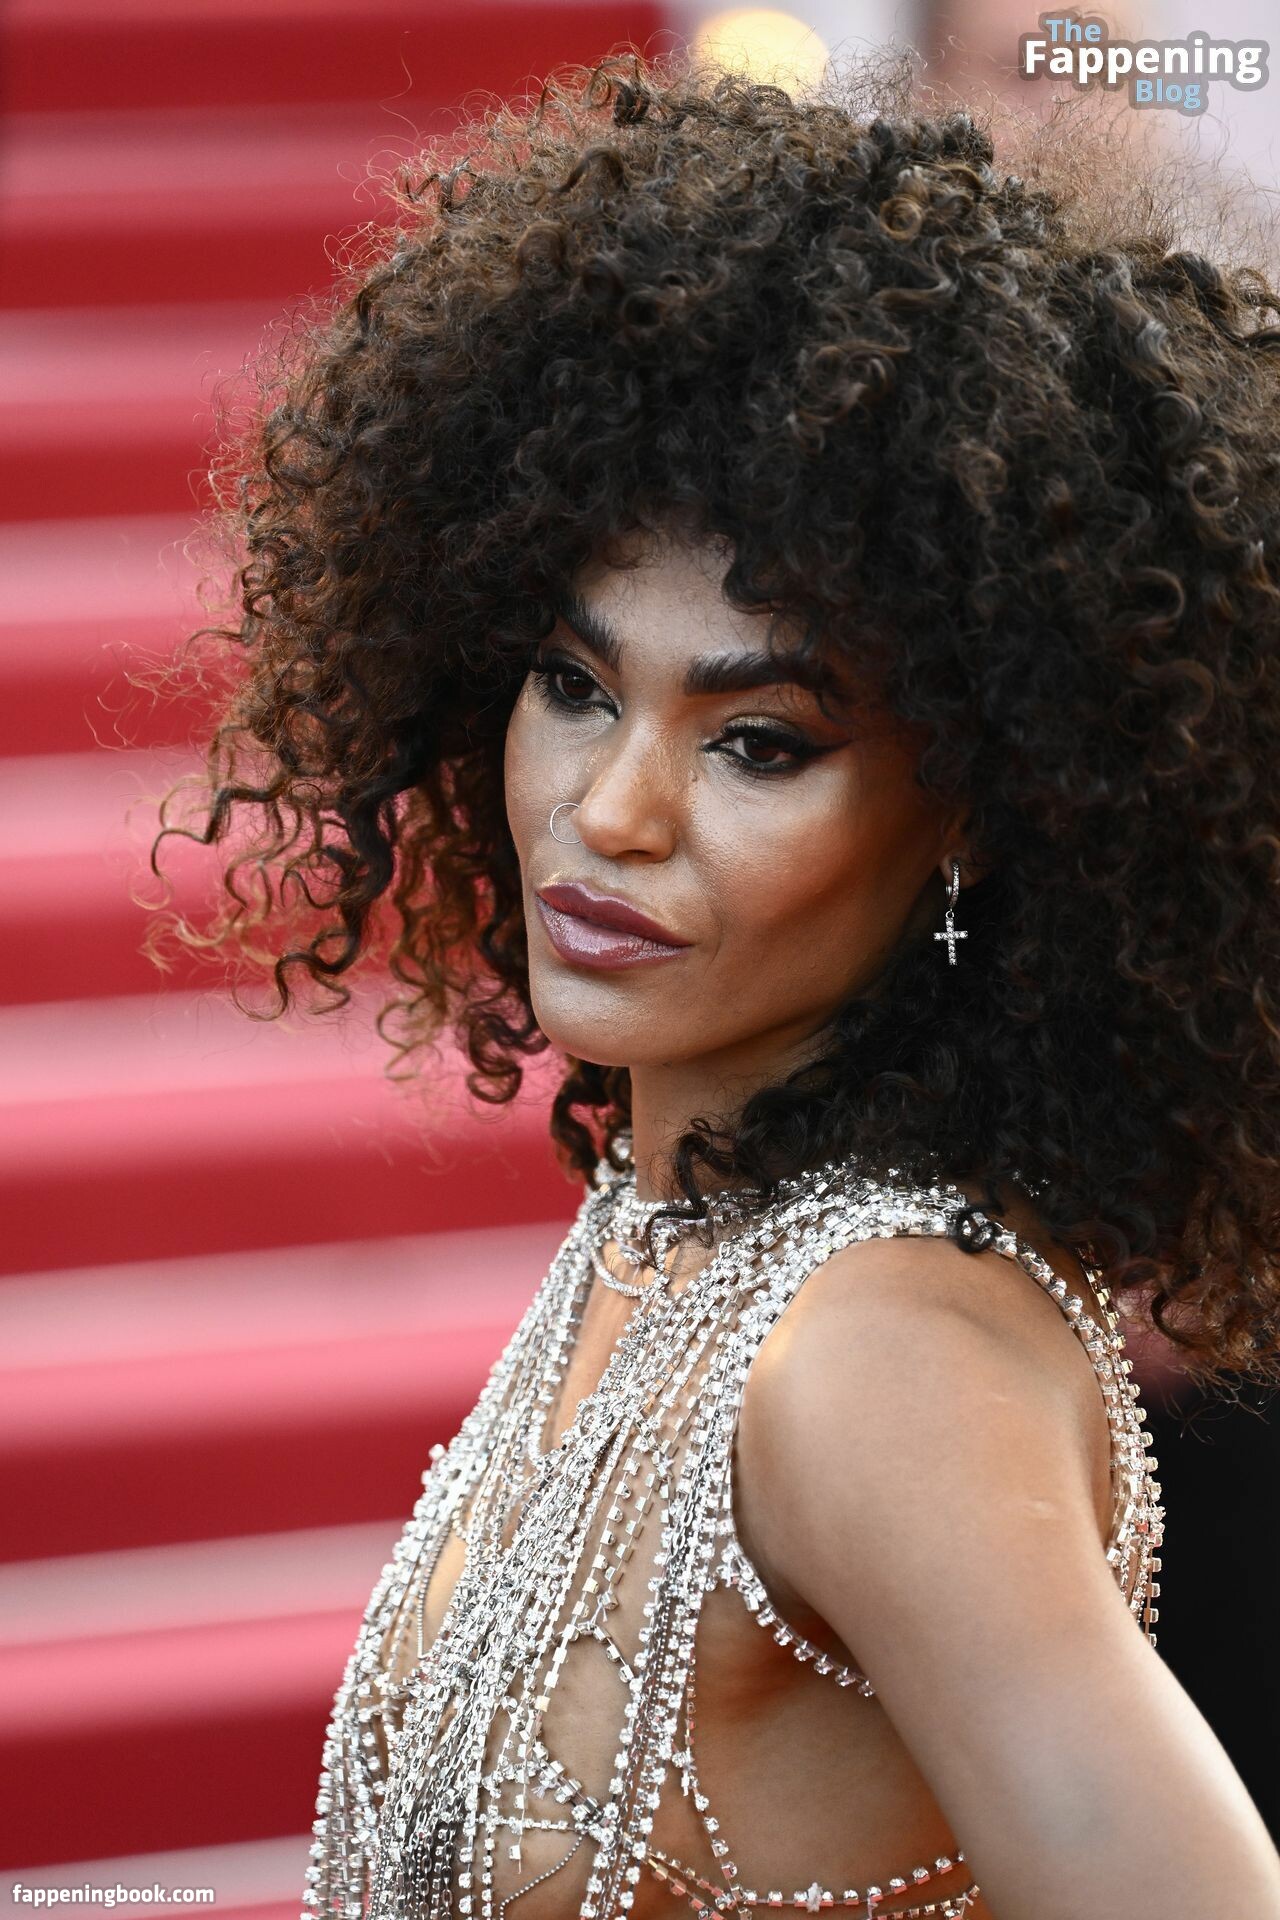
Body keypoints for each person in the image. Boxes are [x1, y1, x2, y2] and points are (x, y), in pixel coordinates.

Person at [147, 45, 1280, 1920]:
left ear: (977, 814)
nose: (612, 811)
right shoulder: (673, 1225)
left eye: (759, 742)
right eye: (574, 686)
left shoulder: (877, 1358)